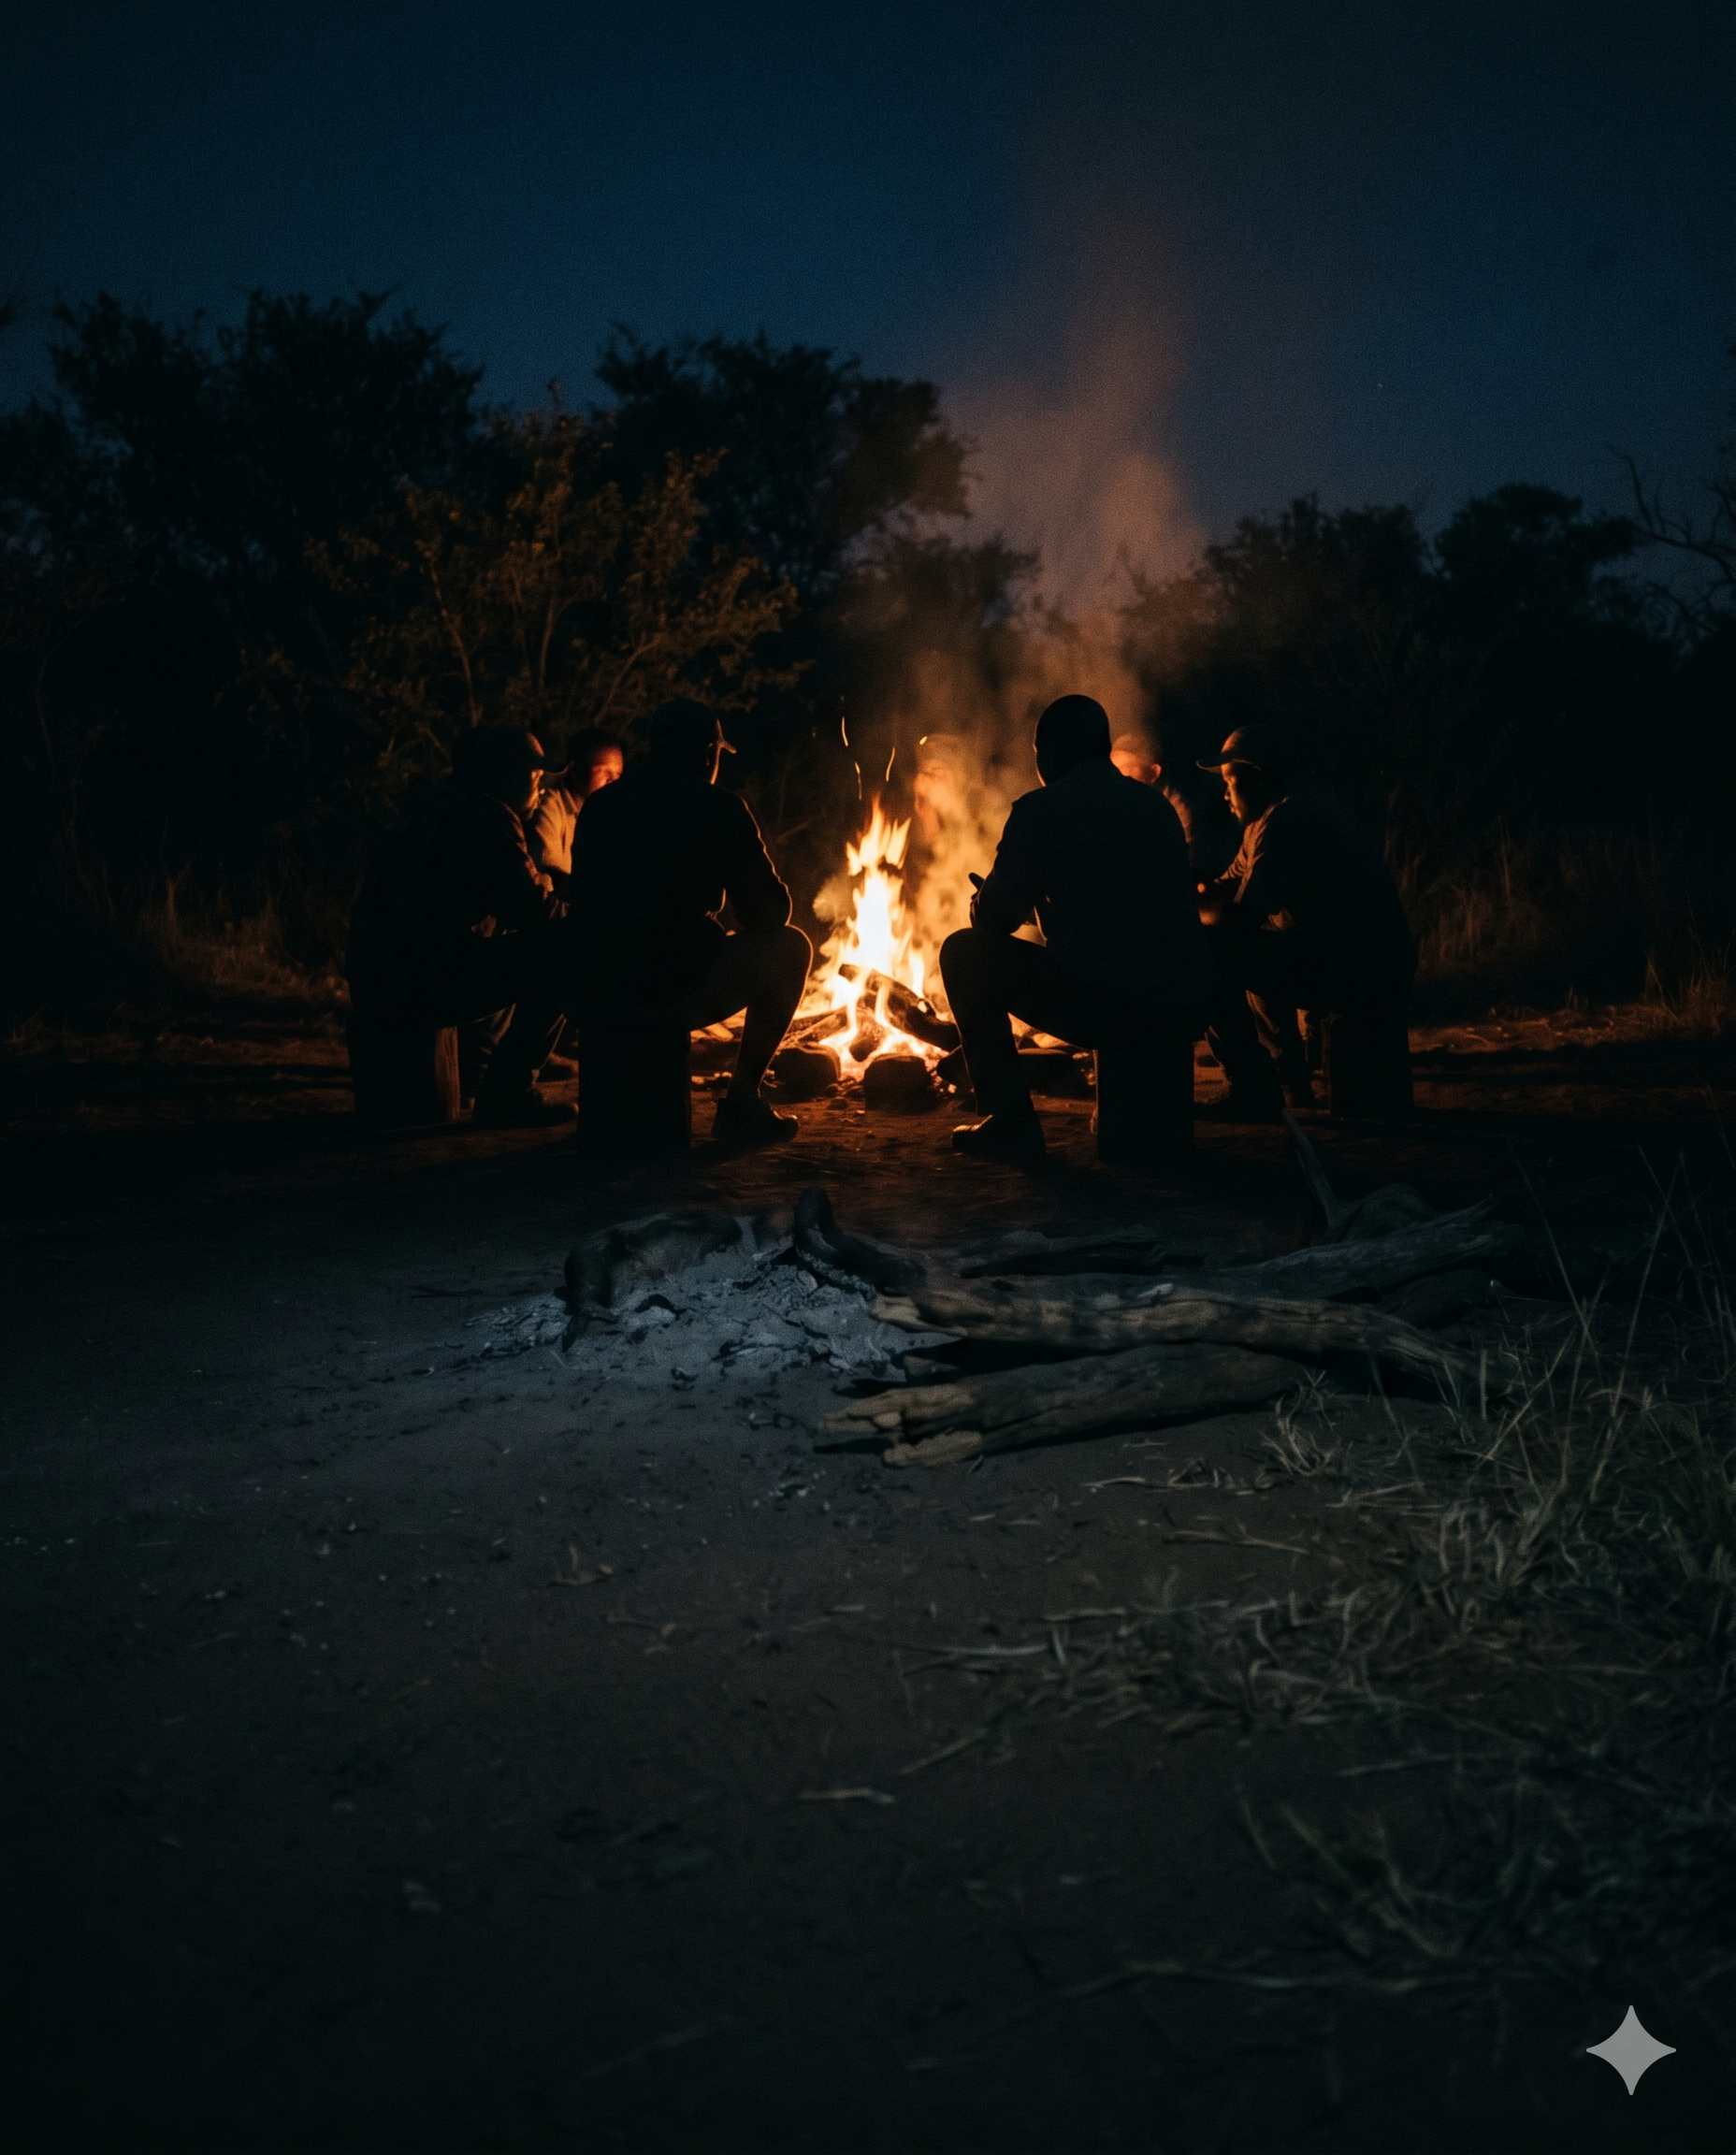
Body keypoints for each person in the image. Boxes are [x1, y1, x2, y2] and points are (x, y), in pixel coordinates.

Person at [939, 694, 1219, 1166]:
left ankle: (1008, 1123)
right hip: (1182, 1004)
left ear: (1048, 753)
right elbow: (1116, 908)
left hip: (1111, 1005)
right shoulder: (1155, 809)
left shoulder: (1041, 810)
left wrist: (983, 898)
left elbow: (993, 920)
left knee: (965, 953)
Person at [565, 698, 813, 1147]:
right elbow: (770, 915)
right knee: (790, 948)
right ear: (707, 754)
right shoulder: (717, 807)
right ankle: (742, 1102)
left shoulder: (601, 805)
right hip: (665, 986)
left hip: (590, 982)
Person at [346, 726, 572, 1127]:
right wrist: (589, 919)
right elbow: (529, 909)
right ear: (502, 774)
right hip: (416, 981)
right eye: (534, 778)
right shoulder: (488, 815)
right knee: (565, 953)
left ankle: (476, 1070)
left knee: (500, 943)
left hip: (373, 973)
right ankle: (510, 1094)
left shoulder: (433, 800)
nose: (540, 790)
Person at [1196, 724, 1417, 1119]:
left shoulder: (1288, 819)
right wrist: (1186, 892)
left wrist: (1181, 923)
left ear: (1258, 777)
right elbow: (1226, 889)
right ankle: (1286, 1078)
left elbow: (1242, 916)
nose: (1225, 795)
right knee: (1245, 946)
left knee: (1214, 951)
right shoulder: (1268, 819)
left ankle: (1251, 1086)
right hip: (1352, 959)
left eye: (1232, 782)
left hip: (1366, 969)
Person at [526, 728, 624, 895]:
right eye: (602, 772)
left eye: (618, 774)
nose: (612, 781)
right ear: (574, 771)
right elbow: (549, 872)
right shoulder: (550, 805)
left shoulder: (609, 817)